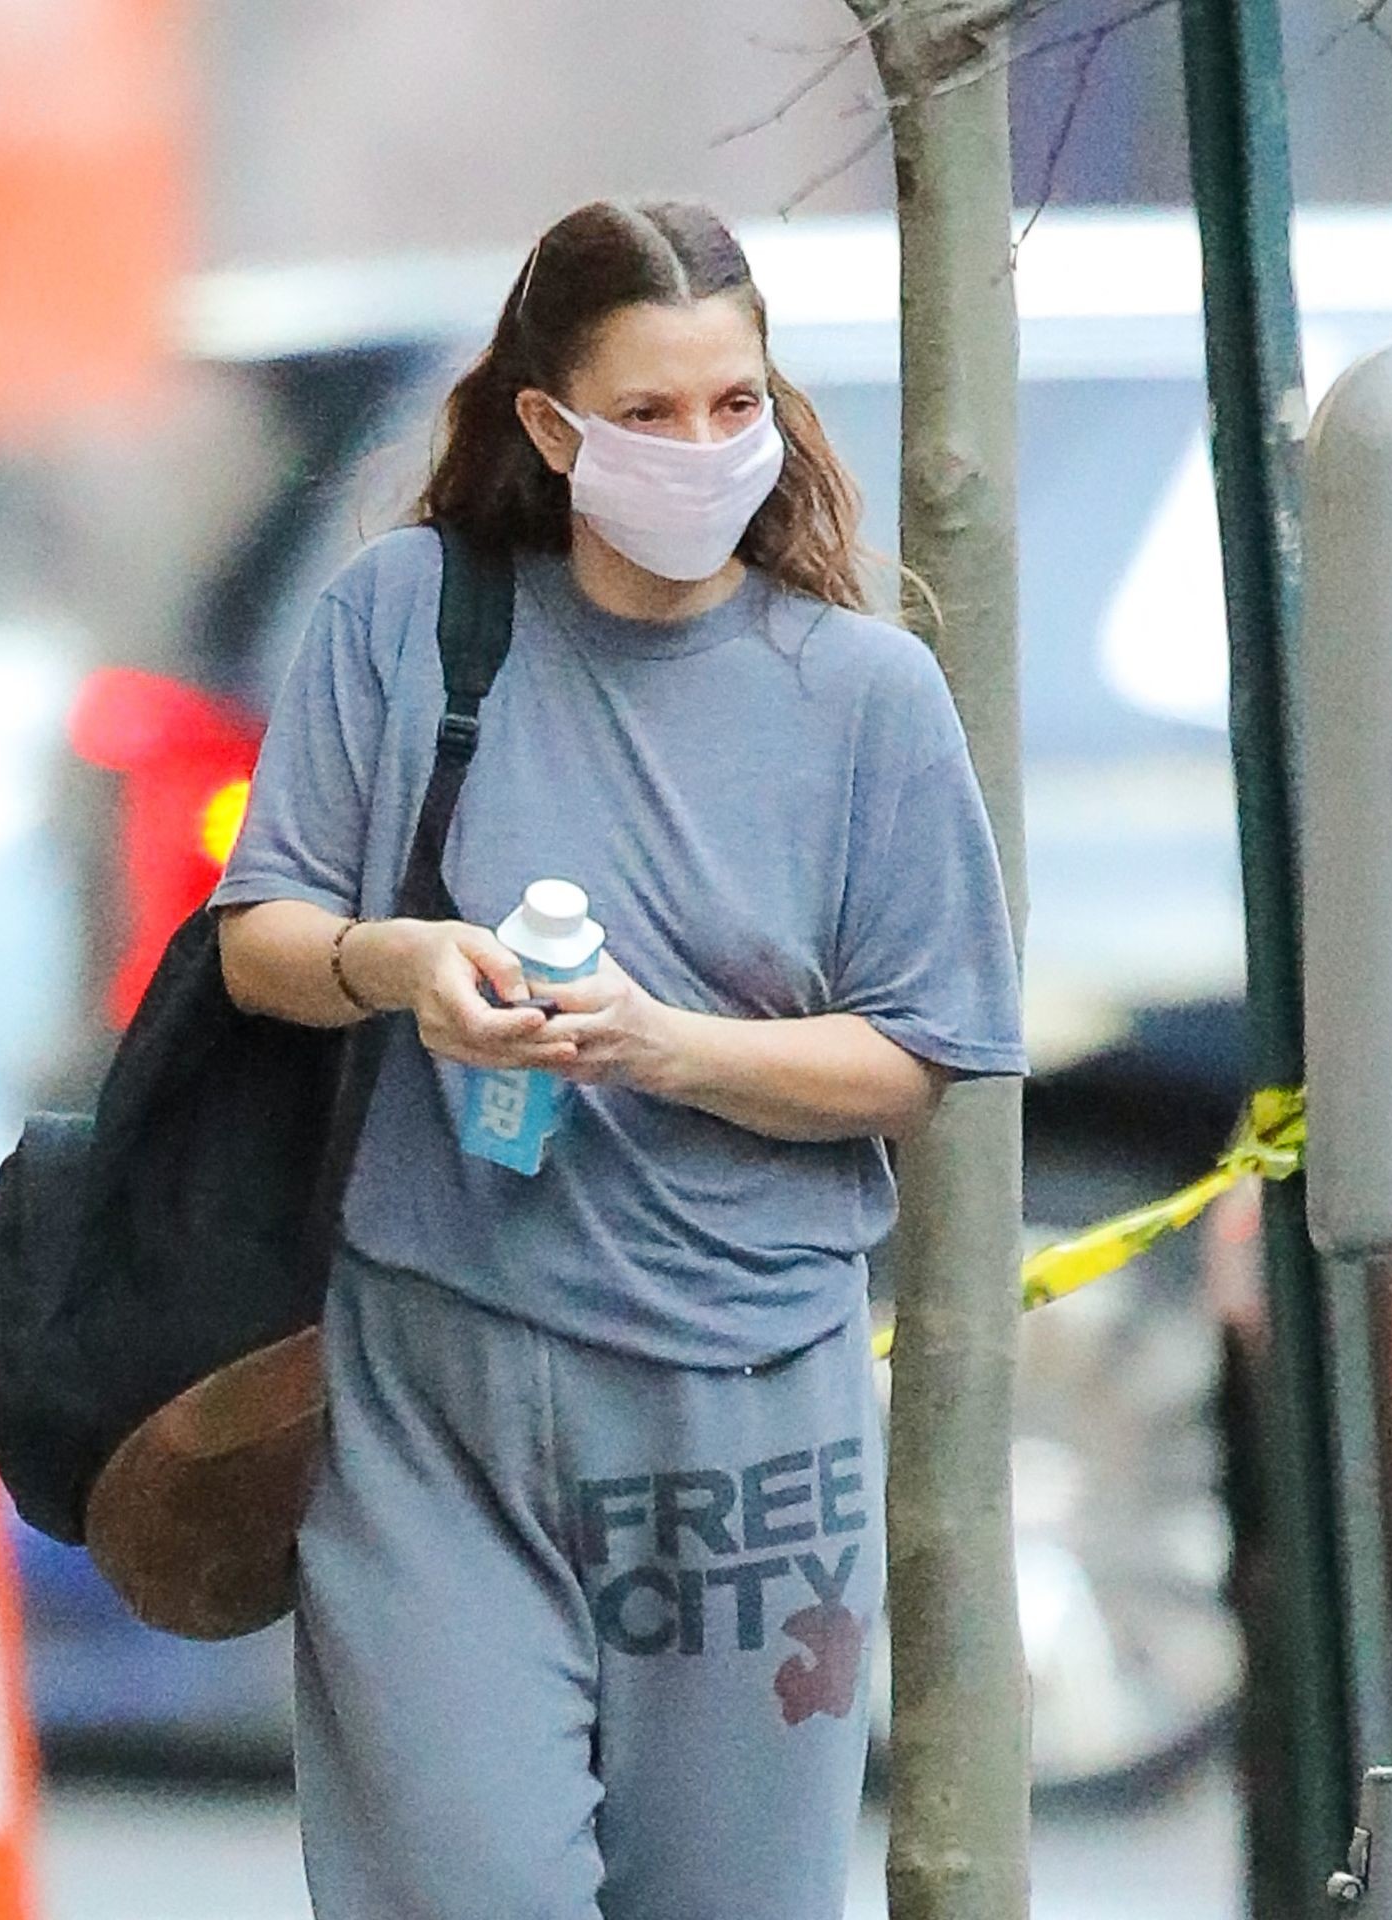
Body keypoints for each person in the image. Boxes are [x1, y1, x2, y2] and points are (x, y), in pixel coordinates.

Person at [209, 197, 1028, 1920]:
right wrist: (399, 963)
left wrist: (664, 1047)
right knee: (454, 1890)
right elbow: (259, 937)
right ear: (551, 425)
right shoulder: (409, 622)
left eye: (734, 404)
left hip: (747, 1411)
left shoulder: (863, 696)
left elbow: (923, 1058)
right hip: (437, 1376)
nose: (700, 447)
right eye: (647, 412)